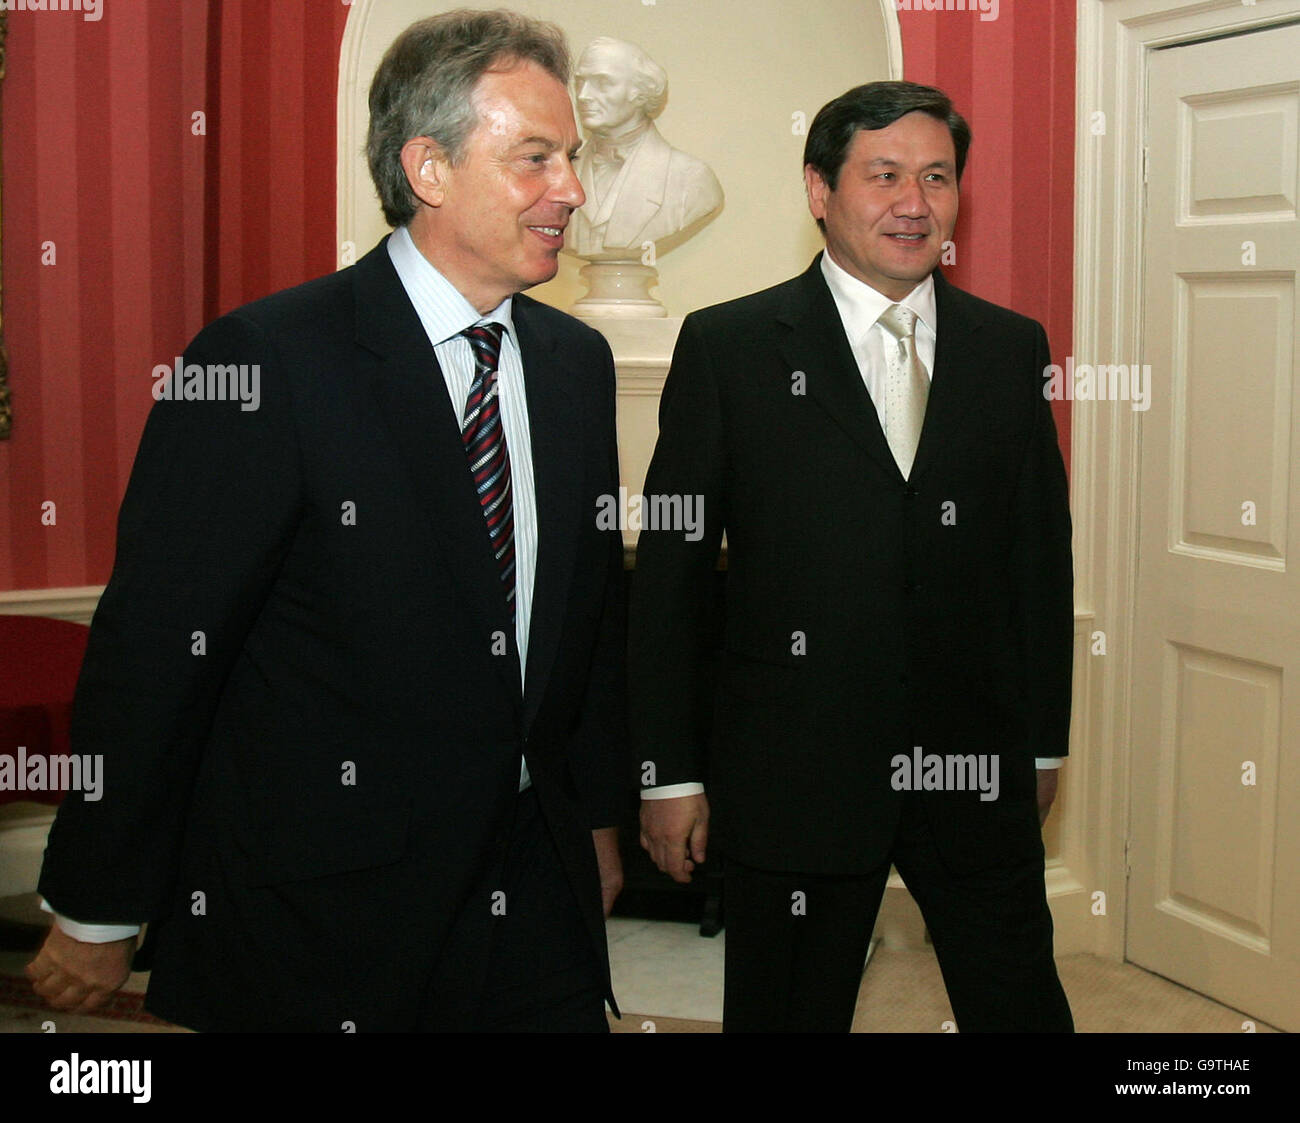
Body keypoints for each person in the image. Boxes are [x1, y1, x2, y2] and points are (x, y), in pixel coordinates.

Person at [27, 9, 626, 1033]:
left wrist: (597, 813)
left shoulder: (575, 367)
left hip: (534, 897)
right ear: (428, 168)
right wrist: (97, 901)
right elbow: (159, 652)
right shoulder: (264, 362)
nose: (570, 188)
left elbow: (590, 618)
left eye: (571, 157)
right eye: (536, 159)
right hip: (321, 915)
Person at [630, 81, 1074, 1033]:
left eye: (937, 177)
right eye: (884, 175)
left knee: (1024, 1009)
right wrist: (668, 772)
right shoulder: (731, 346)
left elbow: (1038, 563)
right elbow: (667, 580)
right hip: (793, 774)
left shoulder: (1008, 349)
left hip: (973, 768)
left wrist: (1042, 740)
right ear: (818, 189)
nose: (914, 202)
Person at [567, 37, 723, 259]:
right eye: (580, 82)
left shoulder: (691, 180)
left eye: (602, 83)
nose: (583, 96)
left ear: (640, 92)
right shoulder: (560, 174)